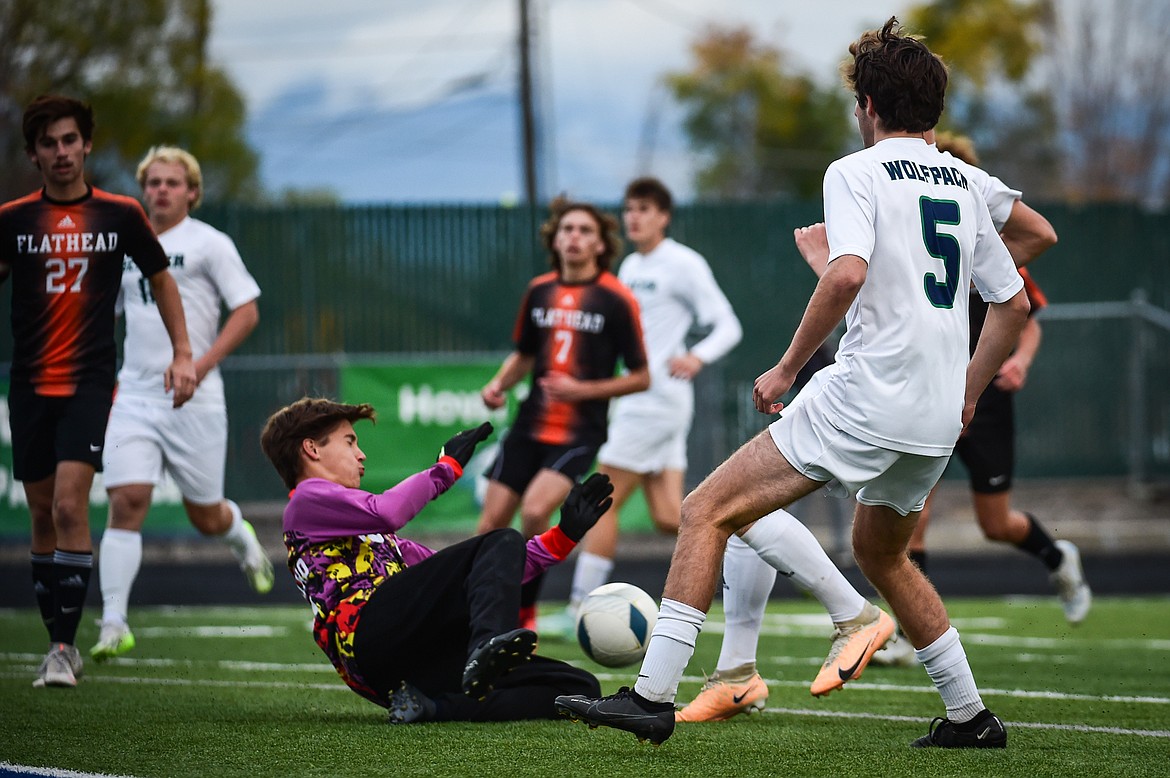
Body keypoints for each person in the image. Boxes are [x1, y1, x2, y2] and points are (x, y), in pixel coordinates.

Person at [555, 18, 1030, 749]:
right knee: (883, 553)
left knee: (704, 510)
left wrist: (784, 366)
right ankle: (971, 716)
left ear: (868, 105)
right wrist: (968, 389)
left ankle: (651, 697)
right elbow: (1014, 302)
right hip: (933, 415)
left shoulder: (855, 171)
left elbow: (846, 273)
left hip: (865, 397)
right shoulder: (965, 181)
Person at [0, 95, 196, 688]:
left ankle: (62, 649)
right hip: (29, 385)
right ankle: (58, 639)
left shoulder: (120, 215)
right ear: (34, 155)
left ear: (86, 145)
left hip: (89, 383)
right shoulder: (12, 220)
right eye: (49, 144)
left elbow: (162, 281)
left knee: (68, 506)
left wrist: (184, 352)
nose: (61, 152)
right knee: (39, 515)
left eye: (70, 141)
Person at [872, 133, 1089, 666]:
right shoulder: (908, 246)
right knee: (910, 513)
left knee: (995, 523)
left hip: (983, 398)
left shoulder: (985, 248)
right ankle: (910, 633)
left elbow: (1026, 313)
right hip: (929, 393)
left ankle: (1056, 553)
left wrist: (1020, 360)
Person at [259, 398, 611, 722]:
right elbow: (389, 511)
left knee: (578, 689)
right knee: (502, 538)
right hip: (370, 639)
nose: (361, 454)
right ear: (311, 449)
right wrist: (446, 468)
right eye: (350, 441)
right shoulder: (305, 500)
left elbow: (488, 570)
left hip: (400, 666)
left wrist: (563, 535)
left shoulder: (374, 536)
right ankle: (486, 645)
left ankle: (433, 706)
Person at [90, 146, 272, 662]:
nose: (161, 191)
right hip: (136, 394)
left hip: (196, 399)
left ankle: (239, 537)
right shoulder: (123, 243)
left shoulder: (209, 243)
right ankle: (112, 623)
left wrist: (201, 363)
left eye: (173, 183)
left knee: (205, 516)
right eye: (153, 183)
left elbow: (248, 311)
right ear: (143, 188)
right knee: (125, 501)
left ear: (191, 192)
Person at [552, 177, 742, 630]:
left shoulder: (682, 263)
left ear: (663, 216)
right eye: (628, 209)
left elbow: (727, 324)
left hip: (656, 403)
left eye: (642, 209)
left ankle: (580, 606)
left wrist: (697, 356)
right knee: (668, 516)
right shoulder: (630, 266)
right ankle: (752, 552)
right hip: (643, 403)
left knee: (603, 499)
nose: (632, 217)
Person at [476, 198, 650, 630]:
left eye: (584, 230)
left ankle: (523, 614)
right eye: (567, 229)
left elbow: (642, 377)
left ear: (600, 244)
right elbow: (524, 355)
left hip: (577, 434)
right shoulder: (539, 290)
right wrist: (498, 386)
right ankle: (467, 609)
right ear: (554, 239)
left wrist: (581, 390)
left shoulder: (615, 299)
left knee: (535, 513)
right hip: (527, 428)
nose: (574, 237)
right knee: (489, 524)